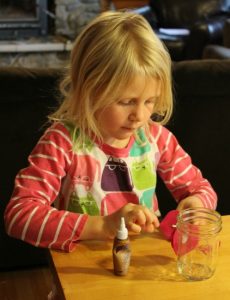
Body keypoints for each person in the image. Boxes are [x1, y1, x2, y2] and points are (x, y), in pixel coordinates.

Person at [4, 11, 217, 253]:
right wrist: (103, 225)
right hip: (82, 268)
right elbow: (19, 215)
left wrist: (195, 205)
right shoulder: (62, 142)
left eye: (150, 101)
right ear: (90, 90)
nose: (140, 115)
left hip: (140, 261)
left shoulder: (157, 139)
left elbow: (202, 189)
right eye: (126, 101)